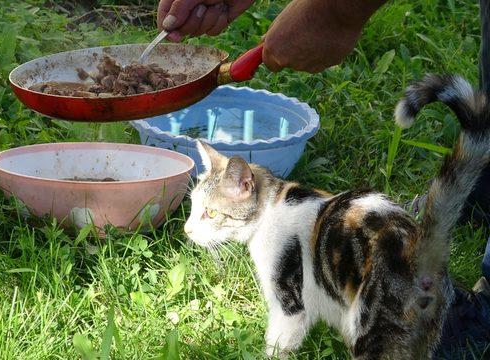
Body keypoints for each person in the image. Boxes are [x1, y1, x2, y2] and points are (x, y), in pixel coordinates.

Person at [156, 0, 490, 357]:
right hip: (419, 273)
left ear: (245, 187)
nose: (189, 228)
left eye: (208, 214)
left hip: (390, 278)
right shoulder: (297, 207)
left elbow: (292, 315)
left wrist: (330, 12)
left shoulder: (272, 238)